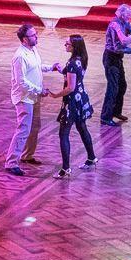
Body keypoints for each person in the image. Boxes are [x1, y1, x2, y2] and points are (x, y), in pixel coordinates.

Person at [5, 23, 53, 176]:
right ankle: (11, 162)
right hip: (24, 98)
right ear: (25, 39)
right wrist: (40, 90)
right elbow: (21, 82)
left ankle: (27, 155)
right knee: (23, 129)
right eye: (33, 35)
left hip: (34, 96)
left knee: (35, 127)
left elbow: (37, 66)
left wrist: (51, 67)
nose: (36, 36)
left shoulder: (33, 50)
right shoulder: (19, 57)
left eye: (35, 33)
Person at [47, 35, 97, 179]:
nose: (65, 45)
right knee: (82, 128)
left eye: (67, 43)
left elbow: (70, 87)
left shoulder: (72, 64)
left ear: (74, 47)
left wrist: (55, 95)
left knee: (63, 134)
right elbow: (75, 76)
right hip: (81, 99)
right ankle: (91, 157)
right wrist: (61, 69)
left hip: (72, 103)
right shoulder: (82, 59)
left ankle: (65, 168)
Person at [101, 4, 131, 126]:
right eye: (129, 14)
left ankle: (116, 111)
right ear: (122, 14)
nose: (130, 16)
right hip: (111, 58)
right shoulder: (115, 25)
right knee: (112, 88)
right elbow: (117, 48)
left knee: (122, 85)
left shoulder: (124, 23)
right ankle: (105, 116)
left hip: (117, 58)